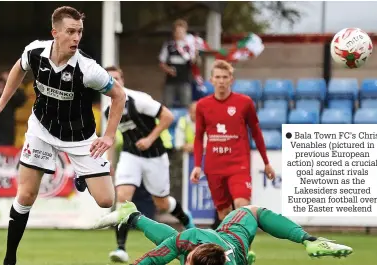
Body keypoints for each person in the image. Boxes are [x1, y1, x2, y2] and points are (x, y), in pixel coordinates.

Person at [0, 6, 126, 265]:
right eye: (71, 32)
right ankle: (9, 259)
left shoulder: (89, 69)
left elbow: (119, 95)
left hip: (80, 138)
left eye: (80, 32)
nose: (76, 38)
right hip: (41, 130)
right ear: (55, 32)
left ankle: (81, 174)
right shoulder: (34, 52)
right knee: (26, 195)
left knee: (106, 200)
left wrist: (108, 136)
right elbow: (18, 69)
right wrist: (0, 104)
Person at [102, 66, 195, 263]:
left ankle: (187, 221)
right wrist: (108, 162)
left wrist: (150, 139)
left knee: (161, 202)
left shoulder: (138, 100)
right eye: (109, 79)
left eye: (116, 78)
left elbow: (168, 116)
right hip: (130, 155)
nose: (113, 82)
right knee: (123, 198)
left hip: (155, 155)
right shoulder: (108, 110)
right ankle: (120, 248)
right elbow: (109, 138)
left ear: (123, 80)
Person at [93, 201, 353, 265]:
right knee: (253, 210)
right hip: (234, 233)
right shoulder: (188, 240)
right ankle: (309, 239)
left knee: (169, 242)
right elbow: (151, 259)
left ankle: (133, 215)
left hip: (234, 253)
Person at [190, 60, 276, 225]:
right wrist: (197, 165)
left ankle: (245, 250)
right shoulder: (202, 105)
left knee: (242, 205)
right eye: (218, 77)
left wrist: (266, 162)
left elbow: (256, 133)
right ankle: (233, 248)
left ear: (231, 79)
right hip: (214, 166)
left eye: (225, 77)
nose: (221, 81)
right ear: (211, 80)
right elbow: (199, 137)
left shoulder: (244, 103)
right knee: (224, 214)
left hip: (238, 164)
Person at [159, 19, 196, 108]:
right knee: (167, 106)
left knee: (186, 106)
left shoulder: (189, 46)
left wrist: (195, 55)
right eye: (178, 31)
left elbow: (194, 62)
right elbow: (161, 62)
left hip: (185, 81)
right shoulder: (168, 45)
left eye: (182, 31)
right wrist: (168, 70)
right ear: (174, 32)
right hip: (170, 82)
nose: (180, 33)